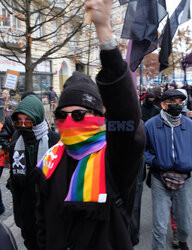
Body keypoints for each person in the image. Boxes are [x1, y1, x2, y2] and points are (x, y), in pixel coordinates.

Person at [32, 0, 145, 249]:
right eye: (63, 116)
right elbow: (41, 226)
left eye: (80, 115)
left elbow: (126, 116)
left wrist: (104, 32)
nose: (70, 122)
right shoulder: (49, 163)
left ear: (100, 116)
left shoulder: (114, 158)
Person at [7, 94, 60, 250]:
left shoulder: (55, 142)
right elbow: (15, 184)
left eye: (28, 121)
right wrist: (19, 216)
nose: (23, 126)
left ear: (37, 119)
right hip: (28, 215)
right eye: (19, 122)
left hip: (51, 213)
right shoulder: (15, 146)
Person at [144, 89, 192, 250]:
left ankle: (183, 240)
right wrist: (155, 161)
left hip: (184, 179)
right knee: (160, 225)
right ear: (163, 105)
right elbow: (143, 150)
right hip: (160, 179)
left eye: (180, 102)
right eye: (173, 102)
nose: (177, 105)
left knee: (184, 223)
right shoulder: (150, 125)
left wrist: (188, 162)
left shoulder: (189, 125)